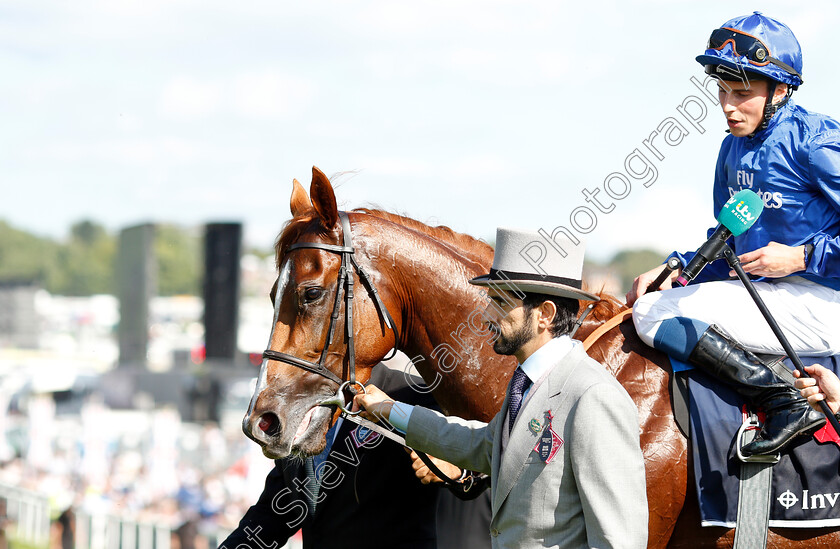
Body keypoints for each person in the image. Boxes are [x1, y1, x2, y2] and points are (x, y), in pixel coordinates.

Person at [626, 11, 840, 456]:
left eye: (742, 93)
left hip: (825, 301)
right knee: (654, 301)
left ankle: (784, 403)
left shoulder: (816, 142)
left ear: (779, 91)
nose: (727, 105)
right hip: (773, 296)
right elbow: (727, 235)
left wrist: (801, 258)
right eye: (721, 91)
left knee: (652, 315)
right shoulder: (732, 147)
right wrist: (679, 267)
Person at [354, 228, 648, 549]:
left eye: (500, 302)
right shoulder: (525, 383)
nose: (487, 316)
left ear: (544, 315)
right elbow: (478, 444)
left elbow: (619, 540)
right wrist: (391, 410)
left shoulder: (593, 396)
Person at [220, 362, 492, 549]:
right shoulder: (299, 409)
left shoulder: (414, 395)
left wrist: (456, 470)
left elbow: (480, 468)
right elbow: (276, 514)